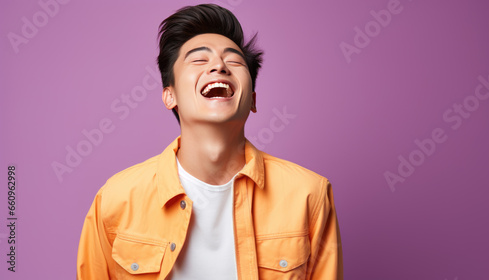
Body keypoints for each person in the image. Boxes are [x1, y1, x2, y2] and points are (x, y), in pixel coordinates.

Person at [76, 3, 342, 279]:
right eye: (199, 60)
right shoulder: (115, 200)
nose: (219, 66)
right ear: (170, 96)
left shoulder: (309, 194)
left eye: (235, 61)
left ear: (252, 99)